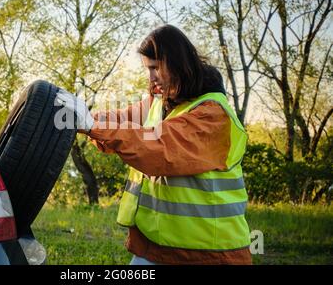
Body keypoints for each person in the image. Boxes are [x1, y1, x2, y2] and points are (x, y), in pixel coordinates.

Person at [55, 24, 252, 265]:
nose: (151, 77)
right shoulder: (163, 102)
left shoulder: (212, 115)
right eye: (147, 69)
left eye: (155, 67)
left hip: (209, 253)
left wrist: (91, 125)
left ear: (178, 63)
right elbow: (125, 120)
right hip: (158, 247)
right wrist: (85, 117)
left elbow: (158, 148)